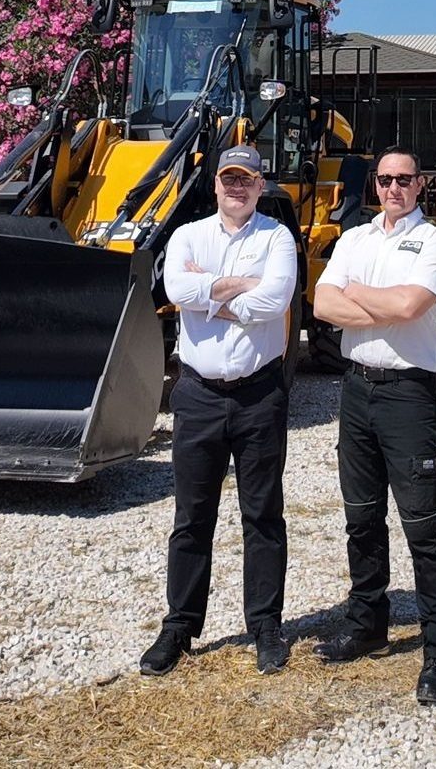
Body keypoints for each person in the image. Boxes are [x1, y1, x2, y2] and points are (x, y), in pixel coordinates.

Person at [140, 144, 298, 678]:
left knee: (262, 514)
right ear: (216, 185)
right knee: (191, 516)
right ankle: (180, 625)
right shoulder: (188, 235)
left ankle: (266, 627)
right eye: (229, 178)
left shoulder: (278, 238)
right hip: (198, 394)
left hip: (259, 394)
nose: (237, 187)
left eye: (247, 179)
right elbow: (173, 287)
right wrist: (232, 291)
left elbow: (275, 301)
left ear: (260, 186)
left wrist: (207, 295)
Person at [312, 146, 436, 706]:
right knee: (362, 517)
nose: (394, 188)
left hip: (407, 395)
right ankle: (368, 623)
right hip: (356, 389)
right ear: (374, 184)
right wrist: (376, 303)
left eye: (404, 179)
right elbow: (323, 304)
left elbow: (410, 306)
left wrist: (358, 296)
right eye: (385, 179)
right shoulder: (354, 237)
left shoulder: (434, 243)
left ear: (421, 184)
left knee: (423, 524)